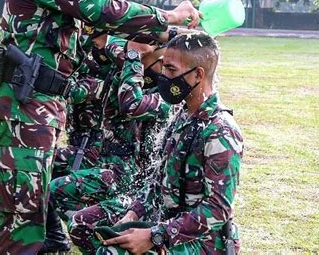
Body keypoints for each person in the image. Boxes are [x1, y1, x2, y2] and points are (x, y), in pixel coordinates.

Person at [0, 0, 200, 254]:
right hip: (22, 108)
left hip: (39, 108)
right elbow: (100, 8)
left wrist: (148, 43)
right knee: (22, 217)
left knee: (34, 209)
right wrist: (167, 15)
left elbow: (90, 38)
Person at [84, 32, 243, 255]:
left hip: (206, 242)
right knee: (102, 236)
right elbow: (158, 179)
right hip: (170, 225)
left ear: (198, 74)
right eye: (164, 67)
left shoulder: (220, 130)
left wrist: (156, 236)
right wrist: (133, 214)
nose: (164, 76)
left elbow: (218, 209)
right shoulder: (181, 115)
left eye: (171, 70)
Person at [48, 37, 171, 226]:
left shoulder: (167, 98)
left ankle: (104, 234)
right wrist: (124, 49)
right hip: (113, 165)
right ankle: (96, 230)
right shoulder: (133, 81)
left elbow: (132, 104)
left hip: (136, 183)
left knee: (63, 194)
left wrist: (133, 55)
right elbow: (109, 52)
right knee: (52, 173)